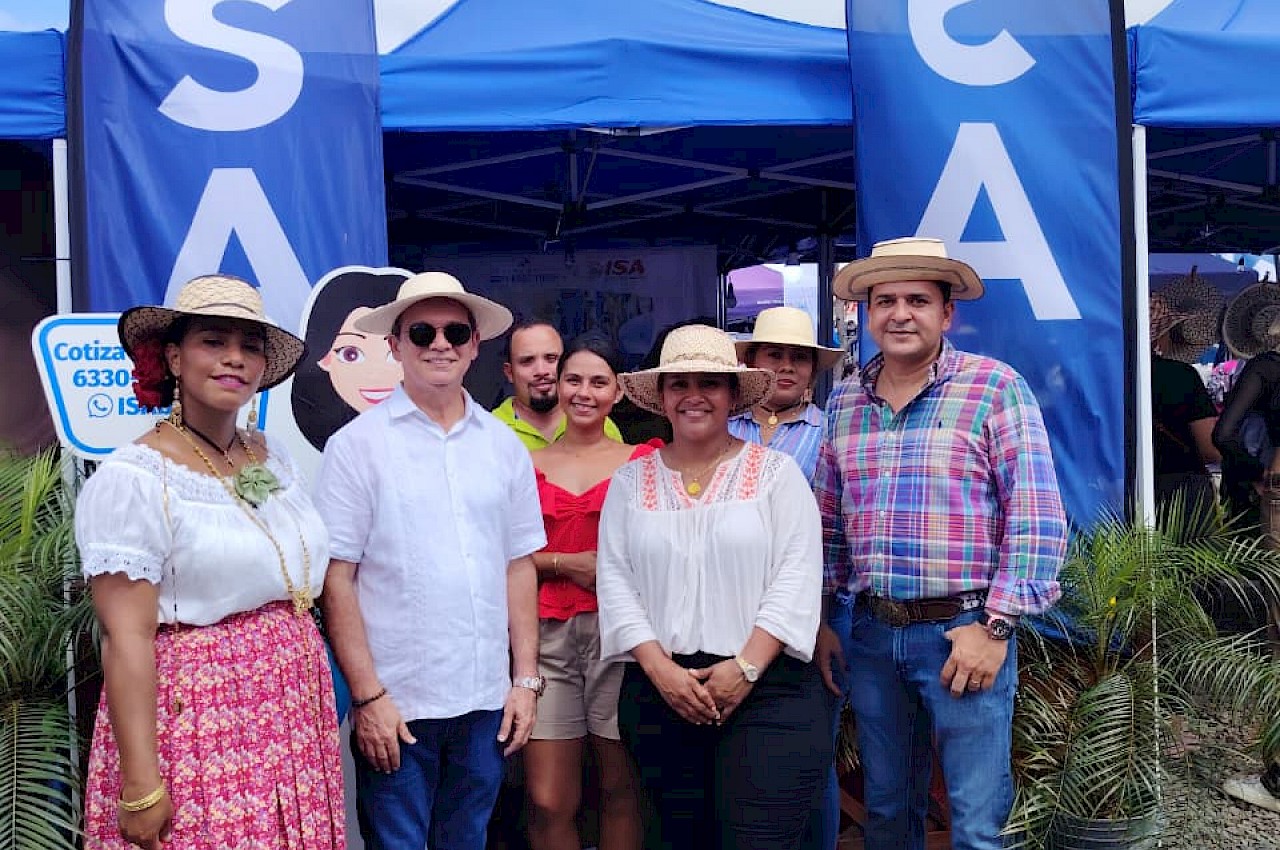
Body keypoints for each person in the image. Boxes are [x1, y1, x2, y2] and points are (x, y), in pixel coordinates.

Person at [817, 237, 1068, 850]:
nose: (900, 314)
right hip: (873, 635)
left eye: (918, 301)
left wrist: (996, 628)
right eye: (885, 302)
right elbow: (828, 522)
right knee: (886, 814)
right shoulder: (846, 399)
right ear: (867, 314)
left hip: (964, 632)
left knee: (977, 824)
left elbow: (1036, 515)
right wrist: (823, 617)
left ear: (947, 313)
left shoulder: (994, 388)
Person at [76, 274, 342, 850]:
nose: (235, 358)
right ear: (174, 358)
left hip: (290, 706)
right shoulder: (136, 478)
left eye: (250, 346)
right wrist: (141, 784)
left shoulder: (271, 456)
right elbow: (126, 637)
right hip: (199, 715)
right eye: (214, 341)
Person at [313, 271, 547, 850]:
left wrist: (525, 680)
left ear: (474, 345)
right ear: (394, 346)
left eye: (454, 332)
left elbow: (519, 565)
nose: (440, 344)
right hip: (398, 702)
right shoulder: (355, 447)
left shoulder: (503, 446)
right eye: (422, 332)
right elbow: (337, 579)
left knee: (468, 840)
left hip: (486, 698)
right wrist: (368, 696)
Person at [596, 324, 832, 850]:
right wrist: (660, 671)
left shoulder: (776, 475)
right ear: (661, 397)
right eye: (679, 384)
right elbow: (615, 581)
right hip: (661, 691)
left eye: (709, 383)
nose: (694, 396)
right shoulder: (630, 482)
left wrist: (745, 667)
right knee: (676, 838)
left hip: (769, 689)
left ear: (732, 394)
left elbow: (797, 575)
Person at [524, 337, 653, 850]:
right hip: (544, 638)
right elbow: (499, 557)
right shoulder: (524, 464)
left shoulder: (644, 462)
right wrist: (564, 563)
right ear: (557, 386)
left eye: (599, 382)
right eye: (573, 379)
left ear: (618, 392)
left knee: (621, 790)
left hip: (622, 638)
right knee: (547, 798)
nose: (584, 392)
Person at [728, 305, 847, 849]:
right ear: (751, 362)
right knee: (739, 745)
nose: (785, 366)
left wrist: (819, 618)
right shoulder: (722, 424)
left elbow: (835, 529)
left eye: (798, 358)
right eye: (773, 355)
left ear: (813, 370)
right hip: (730, 609)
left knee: (810, 748)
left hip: (812, 614)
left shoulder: (830, 433)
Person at [291, 268, 409, 451]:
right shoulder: (337, 447)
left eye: (395, 353)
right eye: (351, 354)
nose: (375, 373)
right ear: (324, 359)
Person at [492, 320, 623, 449]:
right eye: (527, 361)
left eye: (551, 358)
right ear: (510, 373)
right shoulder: (491, 431)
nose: (541, 371)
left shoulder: (601, 426)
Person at [1148, 295, 1219, 526]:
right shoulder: (1180, 376)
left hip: (1116, 490)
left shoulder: (1102, 377)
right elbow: (1210, 448)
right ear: (1159, 336)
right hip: (1182, 492)